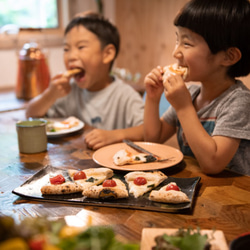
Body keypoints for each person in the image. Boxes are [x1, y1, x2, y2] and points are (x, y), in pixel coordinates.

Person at [144, 0, 250, 175]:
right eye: (177, 40)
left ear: (228, 57)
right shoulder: (192, 94)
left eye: (186, 43)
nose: (175, 52)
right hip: (196, 188)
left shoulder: (239, 102)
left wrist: (184, 107)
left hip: (233, 196)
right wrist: (153, 98)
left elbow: (213, 163)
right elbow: (154, 138)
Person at [26, 12, 144, 150]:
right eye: (66, 49)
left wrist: (115, 135)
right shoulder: (69, 89)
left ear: (107, 54)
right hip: (77, 161)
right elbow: (31, 114)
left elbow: (147, 131)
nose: (71, 56)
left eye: (81, 47)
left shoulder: (124, 95)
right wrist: (50, 94)